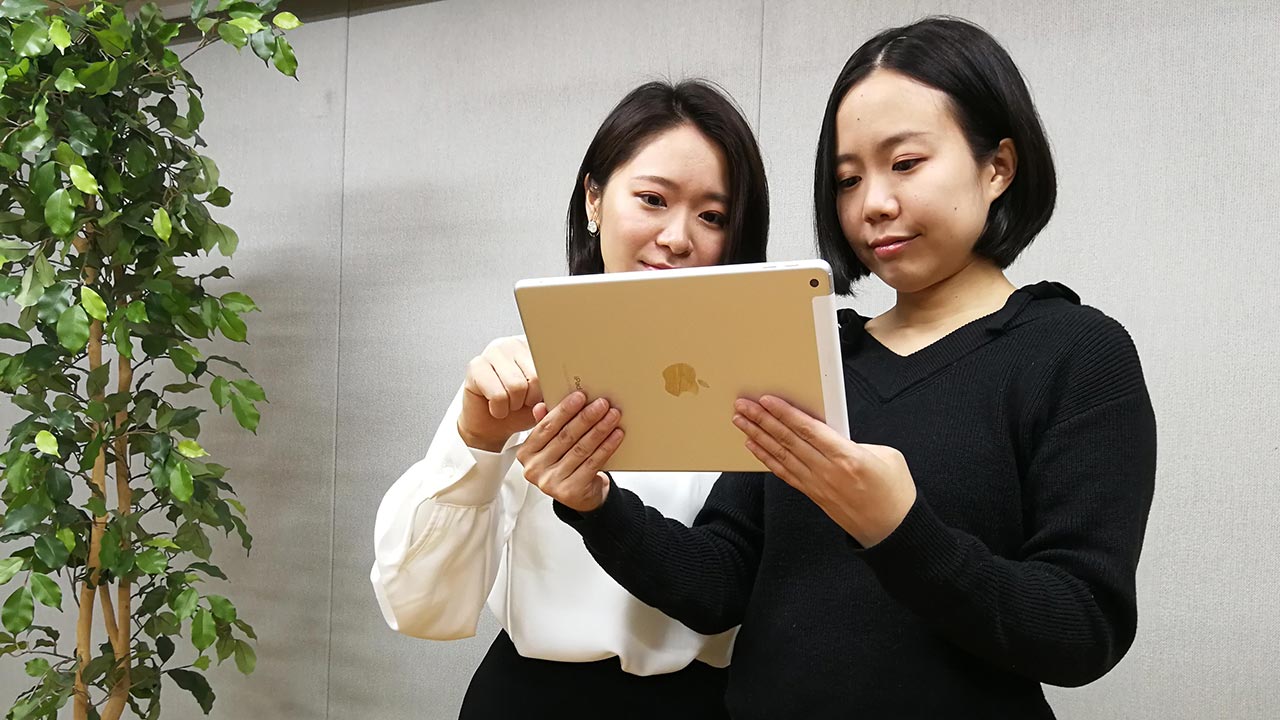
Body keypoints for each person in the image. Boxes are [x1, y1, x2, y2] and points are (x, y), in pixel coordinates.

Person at [534, 17, 1157, 718]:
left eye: (906, 163)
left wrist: (899, 529)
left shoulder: (1077, 353)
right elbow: (718, 585)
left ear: (998, 168)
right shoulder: (808, 350)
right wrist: (595, 504)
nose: (873, 204)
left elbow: (1083, 629)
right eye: (847, 179)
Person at [371, 79, 770, 719]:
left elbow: (742, 587)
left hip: (698, 704)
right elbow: (419, 607)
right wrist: (477, 444)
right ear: (594, 199)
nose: (677, 237)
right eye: (652, 199)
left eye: (712, 216)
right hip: (530, 700)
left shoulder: (764, 383)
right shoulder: (521, 369)